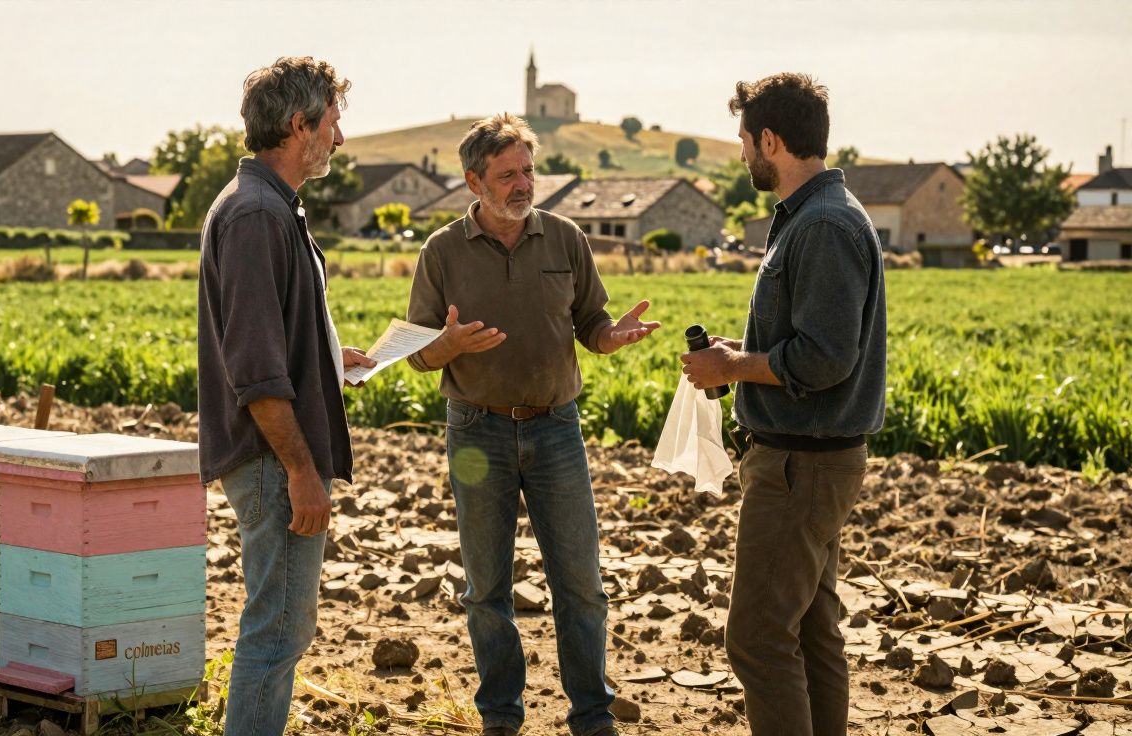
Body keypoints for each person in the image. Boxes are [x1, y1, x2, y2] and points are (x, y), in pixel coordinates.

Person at [406, 113, 659, 736]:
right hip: (477, 433)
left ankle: (592, 716)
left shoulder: (566, 237)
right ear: (474, 181)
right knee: (486, 589)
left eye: (528, 170)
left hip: (555, 430)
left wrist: (610, 337)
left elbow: (591, 323)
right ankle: (500, 717)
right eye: (507, 174)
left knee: (581, 584)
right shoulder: (441, 251)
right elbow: (416, 354)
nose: (523, 184)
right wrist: (448, 345)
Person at [680, 73, 887, 736]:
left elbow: (825, 358)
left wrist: (733, 367)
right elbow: (808, 340)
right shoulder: (816, 216)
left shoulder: (823, 225)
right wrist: (740, 352)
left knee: (760, 637)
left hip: (802, 465)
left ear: (770, 140)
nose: (742, 153)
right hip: (812, 461)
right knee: (811, 630)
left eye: (744, 140)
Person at [196, 56, 374, 735]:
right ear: (300, 125)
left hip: (273, 456)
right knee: (276, 633)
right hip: (274, 459)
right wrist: (301, 469)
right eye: (333, 123)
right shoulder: (257, 215)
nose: (340, 138)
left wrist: (327, 357)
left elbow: (268, 339)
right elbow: (255, 368)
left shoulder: (269, 205)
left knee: (279, 629)